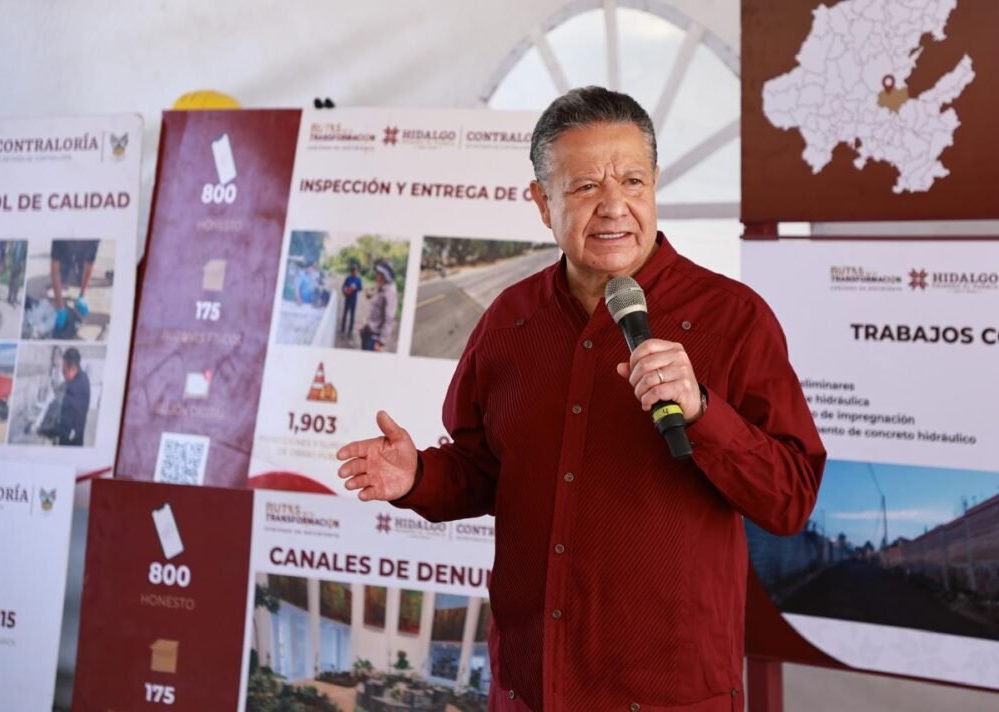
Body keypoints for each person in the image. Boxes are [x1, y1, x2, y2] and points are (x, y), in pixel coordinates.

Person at [336, 87, 825, 711]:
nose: (615, 206)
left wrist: (704, 412)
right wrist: (419, 477)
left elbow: (790, 500)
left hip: (670, 694)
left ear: (655, 185)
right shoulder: (509, 322)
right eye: (586, 186)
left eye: (633, 181)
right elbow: (485, 469)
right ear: (542, 203)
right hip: (530, 688)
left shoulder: (735, 320)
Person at [50, 239, 99, 330]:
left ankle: (81, 296)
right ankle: (69, 263)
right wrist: (60, 308)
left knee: (81, 277)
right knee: (62, 276)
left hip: (83, 250)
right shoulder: (59, 240)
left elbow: (89, 265)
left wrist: (82, 296)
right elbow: (55, 272)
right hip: (66, 247)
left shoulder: (92, 240)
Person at [359, 260, 397, 351]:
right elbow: (374, 301)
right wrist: (365, 327)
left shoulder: (390, 292)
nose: (376, 276)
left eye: (378, 274)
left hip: (374, 337)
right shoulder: (380, 288)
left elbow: (389, 319)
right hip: (368, 331)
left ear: (385, 276)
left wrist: (381, 342)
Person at [57, 346, 90, 446]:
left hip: (70, 441)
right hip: (78, 434)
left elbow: (65, 424)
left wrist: (41, 429)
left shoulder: (73, 389)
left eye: (64, 371)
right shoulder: (83, 376)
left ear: (74, 368)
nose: (63, 375)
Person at [340, 264, 362, 334]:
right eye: (353, 271)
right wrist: (344, 292)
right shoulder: (348, 278)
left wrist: (356, 288)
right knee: (345, 314)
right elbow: (343, 287)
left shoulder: (358, 279)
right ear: (351, 272)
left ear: (357, 271)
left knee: (352, 315)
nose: (355, 272)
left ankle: (350, 330)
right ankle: (343, 328)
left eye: (356, 271)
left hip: (354, 299)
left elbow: (360, 288)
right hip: (347, 298)